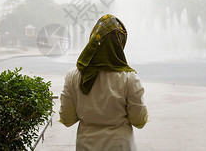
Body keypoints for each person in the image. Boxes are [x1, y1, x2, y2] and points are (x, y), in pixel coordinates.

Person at [59, 14, 148, 151]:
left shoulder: (73, 76)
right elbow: (139, 121)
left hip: (85, 146)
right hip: (120, 146)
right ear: (120, 43)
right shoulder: (129, 78)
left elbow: (67, 119)